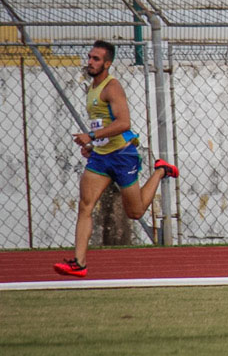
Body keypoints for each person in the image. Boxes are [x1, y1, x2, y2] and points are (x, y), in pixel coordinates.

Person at [54, 40, 179, 277]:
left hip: (122, 155)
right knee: (85, 205)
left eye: (96, 59)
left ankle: (160, 170)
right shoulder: (92, 87)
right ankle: (79, 263)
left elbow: (123, 124)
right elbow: (103, 123)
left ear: (107, 64)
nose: (90, 62)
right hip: (100, 158)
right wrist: (92, 145)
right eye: (89, 57)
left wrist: (90, 135)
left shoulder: (112, 88)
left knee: (135, 212)